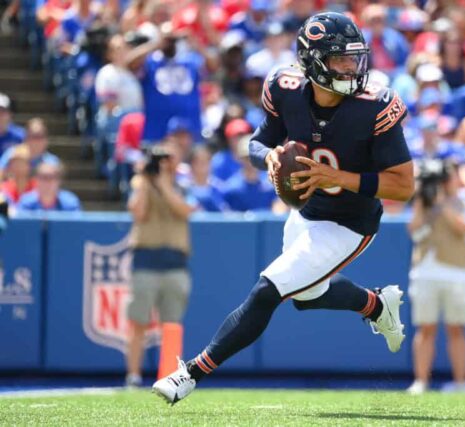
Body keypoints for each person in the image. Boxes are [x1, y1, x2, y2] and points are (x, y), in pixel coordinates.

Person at [152, 12, 414, 404]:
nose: (351, 68)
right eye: (340, 59)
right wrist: (270, 158)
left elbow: (403, 185)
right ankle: (376, 305)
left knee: (268, 290)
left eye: (354, 58)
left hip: (350, 222)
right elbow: (257, 144)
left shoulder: (375, 105)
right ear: (312, 61)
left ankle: (191, 373)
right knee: (307, 296)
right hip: (307, 212)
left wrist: (336, 178)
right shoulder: (285, 87)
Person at [407, 159, 465, 394]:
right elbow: (414, 230)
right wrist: (422, 201)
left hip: (457, 273)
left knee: (456, 328)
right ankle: (421, 381)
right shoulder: (426, 202)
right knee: (425, 328)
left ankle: (460, 383)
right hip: (425, 271)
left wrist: (442, 205)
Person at [125, 141, 197, 388]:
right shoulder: (142, 183)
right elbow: (138, 212)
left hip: (175, 262)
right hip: (145, 259)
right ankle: (133, 376)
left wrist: (164, 183)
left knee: (172, 324)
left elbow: (185, 210)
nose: (165, 163)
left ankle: (168, 376)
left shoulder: (183, 183)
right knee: (138, 322)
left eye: (169, 157)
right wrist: (146, 181)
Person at [221, 135, 277, 212]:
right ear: (239, 159)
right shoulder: (231, 188)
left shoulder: (271, 183)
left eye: (254, 157)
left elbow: (278, 210)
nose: (251, 162)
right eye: (247, 158)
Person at [16, 162, 81, 212]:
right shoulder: (26, 202)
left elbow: (77, 228)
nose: (47, 182)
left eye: (51, 177)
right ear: (36, 180)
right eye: (43, 177)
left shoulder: (70, 202)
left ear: (59, 180)